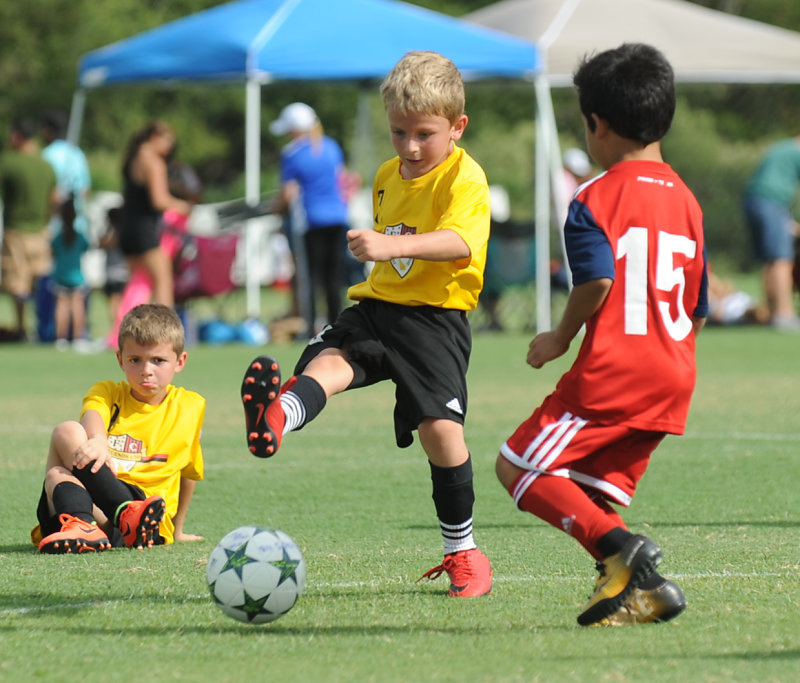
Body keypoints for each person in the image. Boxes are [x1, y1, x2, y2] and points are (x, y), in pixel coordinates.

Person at [242, 51, 493, 598]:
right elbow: (391, 251)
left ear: (457, 127)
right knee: (330, 364)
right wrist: (380, 250)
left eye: (424, 134)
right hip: (377, 306)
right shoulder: (384, 175)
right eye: (398, 132)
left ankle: (464, 552)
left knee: (441, 433)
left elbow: (460, 242)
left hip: (434, 319)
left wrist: (389, 245)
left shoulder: (465, 177)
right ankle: (276, 417)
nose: (409, 146)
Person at [495, 43, 708, 627]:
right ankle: (646, 590)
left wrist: (560, 337)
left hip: (617, 371)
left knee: (518, 467)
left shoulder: (593, 197)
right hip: (674, 375)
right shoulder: (688, 202)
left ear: (598, 124)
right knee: (586, 490)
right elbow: (698, 307)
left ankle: (625, 553)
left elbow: (598, 280)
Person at [32, 303, 205, 553]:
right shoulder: (108, 393)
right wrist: (99, 439)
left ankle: (129, 514)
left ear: (180, 361)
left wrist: (177, 531)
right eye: (135, 360)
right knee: (64, 440)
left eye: (158, 360)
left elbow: (188, 471)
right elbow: (92, 413)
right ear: (120, 359)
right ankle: (87, 524)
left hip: (148, 520)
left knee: (56, 471)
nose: (146, 371)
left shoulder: (189, 407)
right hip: (98, 513)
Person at [270, 102, 351, 334]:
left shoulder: (292, 153)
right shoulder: (331, 146)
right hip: (338, 217)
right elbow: (342, 180)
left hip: (310, 221)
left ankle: (311, 327)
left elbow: (287, 193)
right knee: (333, 278)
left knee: (310, 278)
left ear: (295, 129)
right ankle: (336, 326)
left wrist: (275, 209)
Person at [118, 120, 192, 310]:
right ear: (154, 137)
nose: (170, 148)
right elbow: (159, 200)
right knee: (163, 281)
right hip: (144, 230)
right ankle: (165, 327)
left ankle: (129, 325)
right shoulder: (154, 162)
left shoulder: (133, 157)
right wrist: (183, 206)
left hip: (127, 229)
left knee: (137, 286)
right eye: (168, 141)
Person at [0, 116, 57, 341]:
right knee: (40, 280)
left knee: (17, 283)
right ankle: (44, 327)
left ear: (16, 136)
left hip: (15, 230)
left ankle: (21, 327)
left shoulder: (9, 163)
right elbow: (54, 200)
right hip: (41, 231)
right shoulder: (46, 166)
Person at [742, 135, 800, 330]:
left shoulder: (781, 148)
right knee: (781, 258)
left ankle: (771, 312)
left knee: (769, 259)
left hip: (753, 201)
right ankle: (784, 313)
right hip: (772, 203)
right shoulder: (796, 152)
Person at [40, 110, 92, 238]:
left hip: (52, 226)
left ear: (48, 130)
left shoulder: (47, 155)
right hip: (77, 225)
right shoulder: (78, 153)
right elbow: (86, 190)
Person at [50, 195, 91, 349]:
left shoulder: (58, 237)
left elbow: (53, 251)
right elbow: (86, 248)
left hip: (61, 275)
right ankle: (78, 338)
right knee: (78, 307)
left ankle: (61, 338)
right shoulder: (79, 236)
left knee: (61, 307)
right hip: (77, 277)